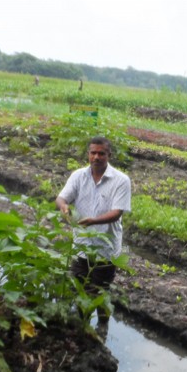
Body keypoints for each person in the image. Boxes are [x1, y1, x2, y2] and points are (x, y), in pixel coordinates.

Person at [56, 137, 131, 326]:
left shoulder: (121, 180)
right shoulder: (78, 176)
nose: (96, 157)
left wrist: (93, 221)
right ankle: (83, 327)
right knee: (78, 288)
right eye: (93, 153)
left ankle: (102, 326)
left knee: (100, 291)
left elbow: (117, 212)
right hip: (81, 245)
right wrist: (64, 208)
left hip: (105, 249)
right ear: (88, 154)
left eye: (101, 153)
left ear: (109, 155)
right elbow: (62, 198)